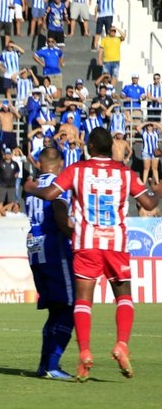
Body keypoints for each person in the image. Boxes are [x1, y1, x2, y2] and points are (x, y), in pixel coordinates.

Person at [25, 128, 162, 381]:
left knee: (82, 301)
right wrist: (159, 188)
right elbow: (150, 204)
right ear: (112, 147)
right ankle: (121, 344)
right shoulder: (125, 173)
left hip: (85, 242)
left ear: (88, 146)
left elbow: (50, 195)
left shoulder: (77, 170)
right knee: (123, 296)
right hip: (116, 243)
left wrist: (31, 187)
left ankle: (85, 352)